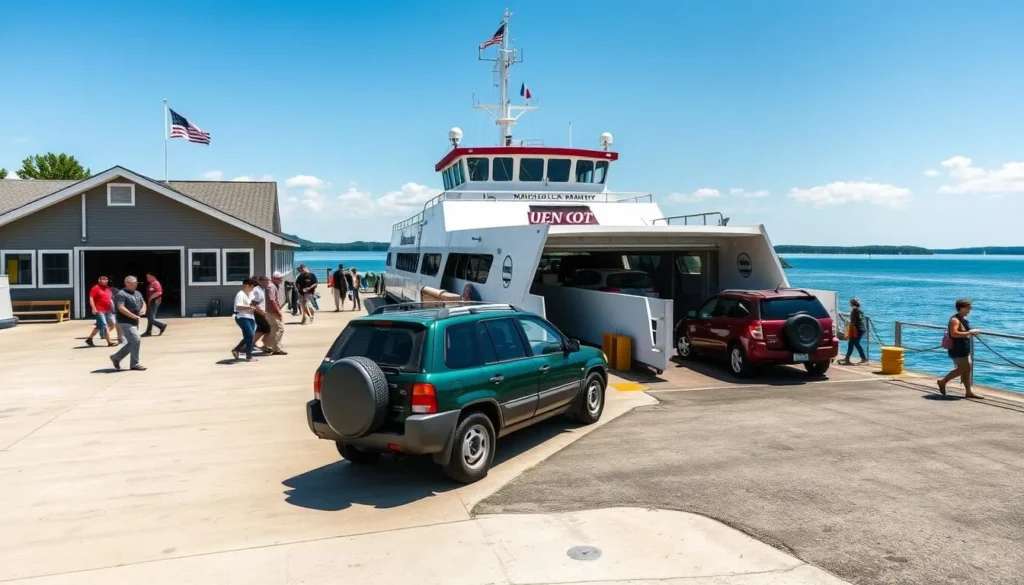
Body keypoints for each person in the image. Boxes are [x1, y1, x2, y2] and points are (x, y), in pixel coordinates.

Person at [938, 299, 982, 398]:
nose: (969, 310)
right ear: (961, 308)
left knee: (968, 369)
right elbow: (954, 333)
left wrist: (970, 331)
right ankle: (943, 381)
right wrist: (970, 332)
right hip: (957, 348)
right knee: (962, 369)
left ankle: (968, 392)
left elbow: (963, 331)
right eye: (967, 308)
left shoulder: (963, 319)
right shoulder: (955, 320)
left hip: (964, 348)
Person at [109, 276, 147, 371]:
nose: (136, 284)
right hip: (125, 321)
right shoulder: (121, 294)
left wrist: (143, 309)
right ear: (127, 283)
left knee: (133, 342)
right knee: (136, 340)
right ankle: (134, 364)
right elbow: (121, 307)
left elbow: (143, 302)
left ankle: (116, 357)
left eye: (136, 282)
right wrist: (132, 315)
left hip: (135, 322)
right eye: (134, 282)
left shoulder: (137, 293)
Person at [85, 276, 118, 347]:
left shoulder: (108, 288)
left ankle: (89, 339)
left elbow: (110, 299)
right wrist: (93, 308)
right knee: (104, 324)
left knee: (110, 324)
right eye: (103, 279)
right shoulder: (95, 288)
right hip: (99, 310)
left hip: (109, 310)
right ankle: (109, 342)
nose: (105, 280)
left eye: (106, 279)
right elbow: (91, 298)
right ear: (99, 280)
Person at [232, 278, 258, 362]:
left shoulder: (249, 295)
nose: (252, 288)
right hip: (242, 317)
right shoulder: (240, 294)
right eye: (252, 286)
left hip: (250, 317)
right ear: (247, 285)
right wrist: (250, 307)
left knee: (248, 336)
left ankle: (236, 350)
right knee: (250, 335)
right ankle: (249, 356)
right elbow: (238, 306)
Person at [263, 272, 288, 355]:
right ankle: (276, 348)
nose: (280, 280)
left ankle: (267, 345)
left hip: (271, 311)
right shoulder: (271, 287)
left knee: (274, 330)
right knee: (279, 329)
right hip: (272, 312)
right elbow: (272, 300)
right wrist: (278, 312)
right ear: (273, 278)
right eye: (279, 279)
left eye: (281, 278)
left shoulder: (272, 286)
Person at [839, 298, 867, 365]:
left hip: (857, 330)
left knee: (853, 343)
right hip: (862, 329)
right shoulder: (860, 310)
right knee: (854, 343)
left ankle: (862, 359)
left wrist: (849, 329)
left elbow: (853, 322)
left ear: (851, 303)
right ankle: (848, 358)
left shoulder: (854, 310)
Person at [248, 275, 271, 352]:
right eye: (266, 282)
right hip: (257, 313)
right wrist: (261, 311)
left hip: (260, 312)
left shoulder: (262, 289)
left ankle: (251, 344)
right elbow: (254, 303)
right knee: (267, 328)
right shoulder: (257, 290)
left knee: (260, 329)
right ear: (261, 282)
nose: (268, 283)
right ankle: (263, 345)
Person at [142, 272, 168, 337]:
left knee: (151, 318)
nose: (147, 278)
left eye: (148, 277)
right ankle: (148, 331)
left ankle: (162, 325)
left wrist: (150, 298)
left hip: (154, 301)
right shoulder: (151, 284)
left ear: (153, 276)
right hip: (152, 301)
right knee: (150, 317)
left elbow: (159, 292)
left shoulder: (155, 283)